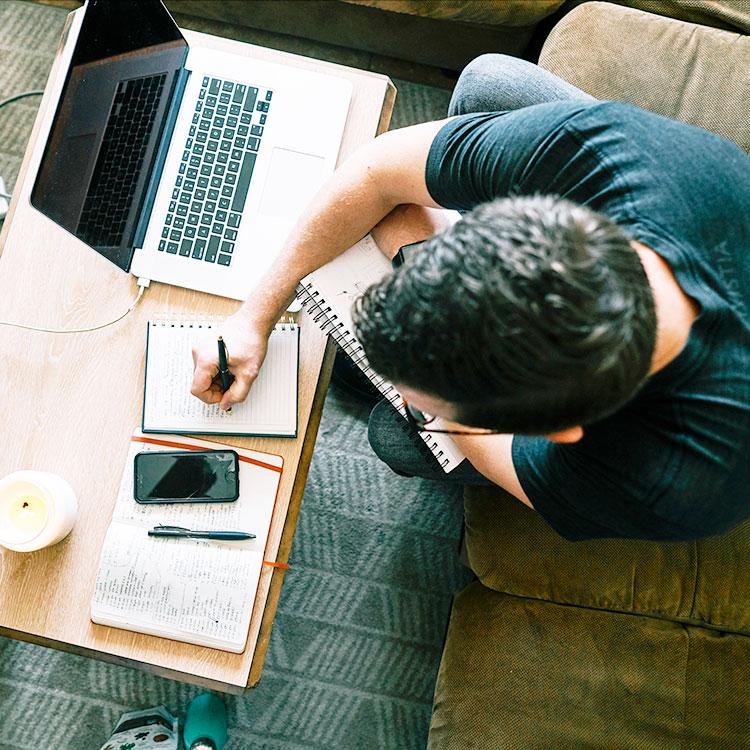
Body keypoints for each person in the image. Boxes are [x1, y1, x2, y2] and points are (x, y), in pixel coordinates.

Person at [190, 54, 750, 542]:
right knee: (490, 83)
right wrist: (254, 314)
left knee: (395, 435)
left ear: (558, 432)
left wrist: (411, 248)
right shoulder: (605, 151)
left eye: (436, 408)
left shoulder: (671, 483)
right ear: (529, 214)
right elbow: (379, 170)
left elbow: (508, 459)